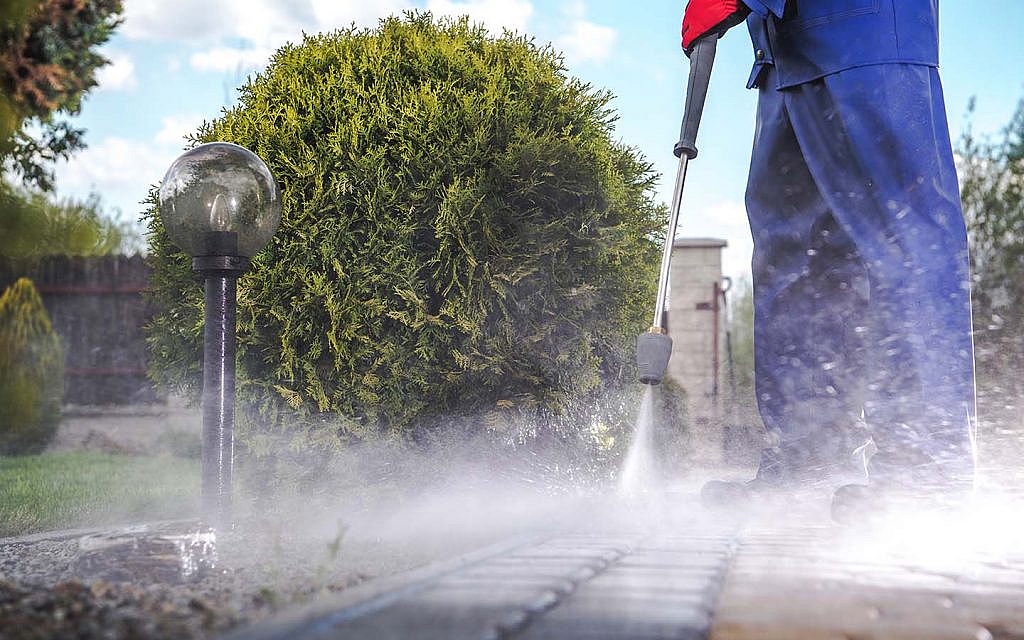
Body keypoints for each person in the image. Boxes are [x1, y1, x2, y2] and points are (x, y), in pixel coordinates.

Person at [682, 0, 978, 514]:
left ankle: (926, 472)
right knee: (796, 256)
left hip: (867, 36)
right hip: (783, 51)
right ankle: (808, 459)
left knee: (904, 238)